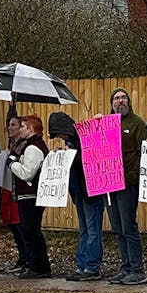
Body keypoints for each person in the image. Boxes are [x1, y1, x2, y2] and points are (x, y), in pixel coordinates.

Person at [106, 88, 147, 285]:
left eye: (124, 97)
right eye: (117, 98)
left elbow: (146, 148)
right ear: (112, 103)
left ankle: (137, 269)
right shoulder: (105, 124)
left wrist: (134, 175)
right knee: (117, 227)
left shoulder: (136, 123)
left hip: (128, 183)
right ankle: (125, 267)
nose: (121, 101)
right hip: (108, 183)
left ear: (129, 101)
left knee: (128, 226)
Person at [53, 111, 104, 281]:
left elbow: (89, 160)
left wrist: (70, 155)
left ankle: (91, 267)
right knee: (85, 230)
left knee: (92, 230)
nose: (60, 137)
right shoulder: (71, 140)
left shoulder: (84, 137)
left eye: (60, 134)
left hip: (91, 191)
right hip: (80, 192)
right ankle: (82, 266)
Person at [9, 115, 51, 279]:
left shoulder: (33, 148)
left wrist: (12, 164)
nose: (20, 129)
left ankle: (38, 266)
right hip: (31, 194)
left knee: (30, 231)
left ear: (31, 129)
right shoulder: (33, 146)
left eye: (23, 127)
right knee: (32, 231)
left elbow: (27, 173)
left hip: (30, 195)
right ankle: (39, 265)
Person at [1, 107, 29, 273]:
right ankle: (22, 256)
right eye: (9, 125)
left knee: (21, 226)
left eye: (13, 125)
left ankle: (27, 257)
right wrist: (12, 104)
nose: (10, 128)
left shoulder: (23, 145)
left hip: (19, 189)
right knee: (13, 225)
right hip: (9, 189)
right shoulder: (12, 144)